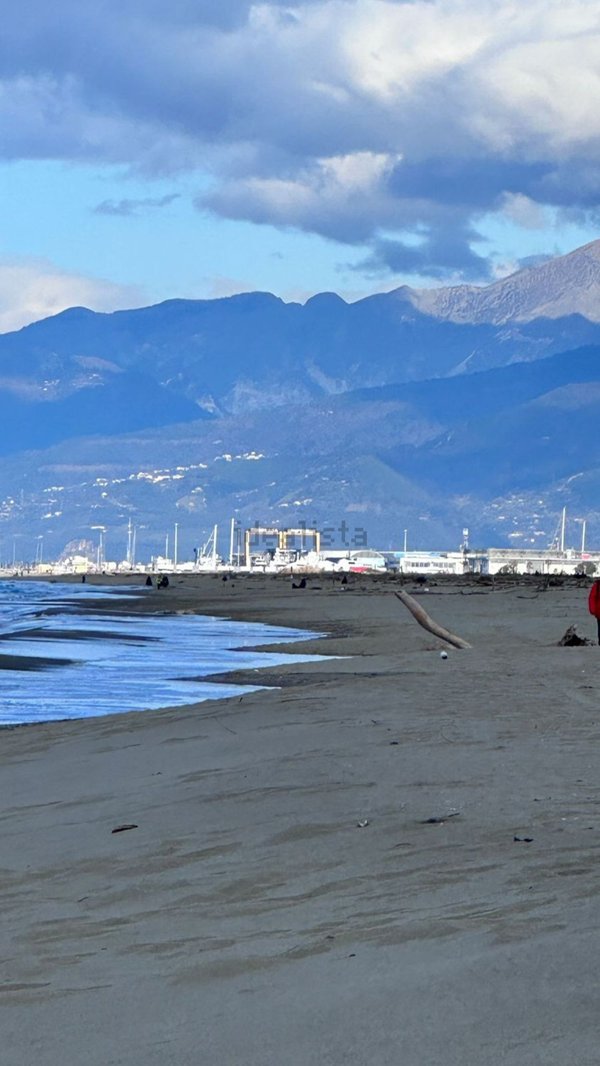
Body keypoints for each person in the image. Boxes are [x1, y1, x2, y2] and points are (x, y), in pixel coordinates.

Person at [588, 578, 600, 644]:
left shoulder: (597, 585)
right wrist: (593, 610)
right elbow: (592, 598)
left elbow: (592, 598)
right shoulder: (597, 586)